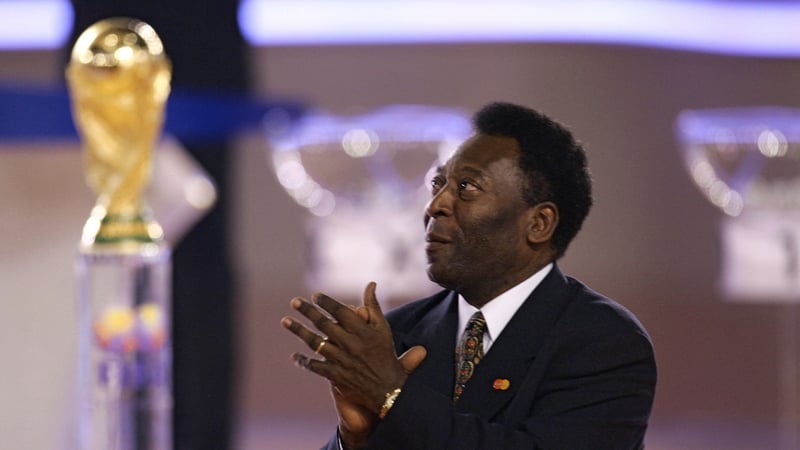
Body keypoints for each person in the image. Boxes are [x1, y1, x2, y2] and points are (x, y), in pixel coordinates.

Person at [282, 101, 657, 449]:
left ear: (539, 223)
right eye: (437, 184)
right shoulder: (398, 334)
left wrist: (393, 396)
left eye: (467, 187)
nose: (434, 205)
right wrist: (354, 438)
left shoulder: (604, 342)